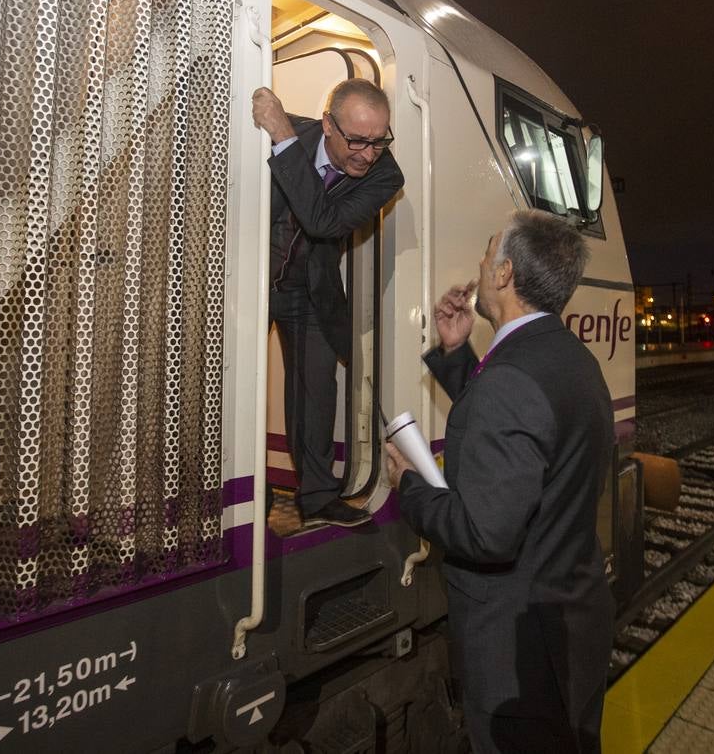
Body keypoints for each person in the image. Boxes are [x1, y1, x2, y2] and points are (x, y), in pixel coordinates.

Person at [386, 210, 614, 753]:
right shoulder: (571, 360)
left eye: (490, 254)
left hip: (517, 649)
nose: (482, 264)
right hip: (570, 621)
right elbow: (524, 436)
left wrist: (410, 486)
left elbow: (487, 534)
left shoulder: (513, 377)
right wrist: (454, 353)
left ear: (506, 273)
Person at [252, 79, 404, 528]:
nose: (367, 153)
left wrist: (283, 140)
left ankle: (317, 497)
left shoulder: (386, 175)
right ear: (327, 125)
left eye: (379, 141)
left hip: (308, 291)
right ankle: (245, 491)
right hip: (250, 286)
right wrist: (281, 135)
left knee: (317, 393)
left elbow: (322, 222)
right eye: (356, 139)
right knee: (232, 387)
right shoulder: (282, 133)